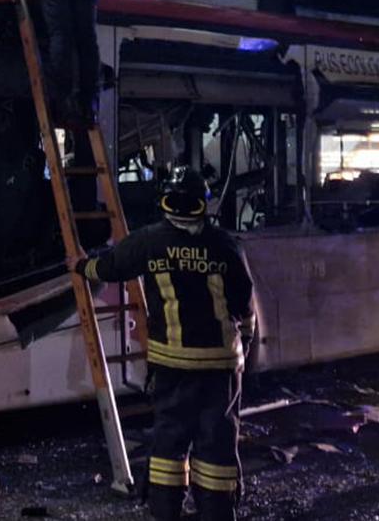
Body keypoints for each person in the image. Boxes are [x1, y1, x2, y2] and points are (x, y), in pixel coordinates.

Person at [71, 167, 256, 521]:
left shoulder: (150, 241)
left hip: (172, 364)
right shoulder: (225, 245)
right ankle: (217, 513)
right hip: (220, 365)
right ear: (204, 204)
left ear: (165, 203)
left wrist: (80, 266)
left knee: (169, 442)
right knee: (216, 442)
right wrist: (243, 345)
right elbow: (243, 302)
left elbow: (110, 267)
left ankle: (165, 511)